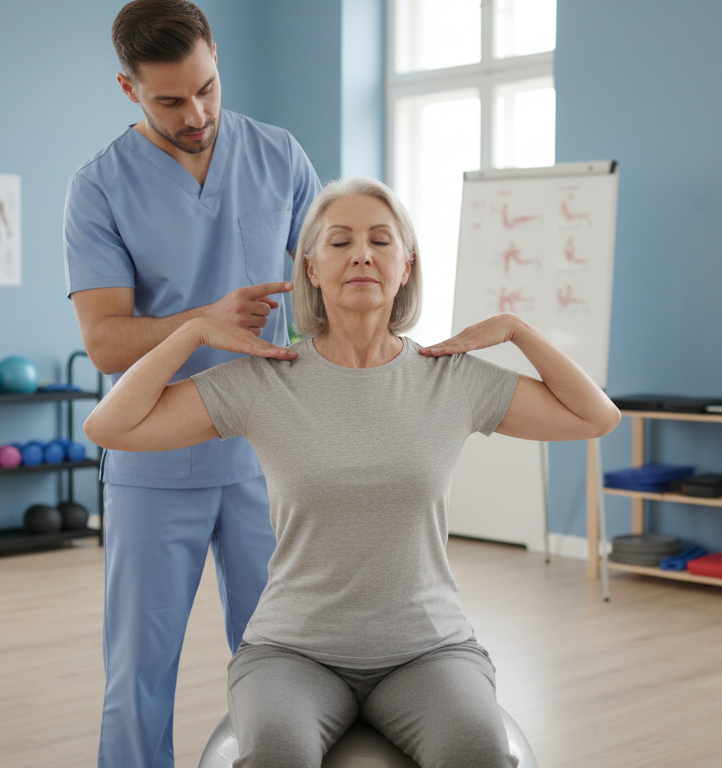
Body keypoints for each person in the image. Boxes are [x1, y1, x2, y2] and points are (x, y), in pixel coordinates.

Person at [84, 178, 620, 767]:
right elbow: (110, 427)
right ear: (310, 267)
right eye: (339, 242)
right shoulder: (266, 379)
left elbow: (596, 416)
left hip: (429, 650)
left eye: (380, 240)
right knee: (275, 755)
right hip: (293, 652)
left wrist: (518, 331)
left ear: (406, 265)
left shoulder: (451, 377)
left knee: (479, 751)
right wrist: (191, 332)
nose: (361, 253)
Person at [62, 2, 320, 766]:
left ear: (216, 60)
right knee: (138, 676)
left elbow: (323, 297)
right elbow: (105, 340)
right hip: (156, 459)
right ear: (127, 88)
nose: (197, 113)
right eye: (170, 100)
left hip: (267, 457)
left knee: (281, 659)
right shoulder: (99, 187)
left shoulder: (280, 156)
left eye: (207, 88)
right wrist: (201, 321)